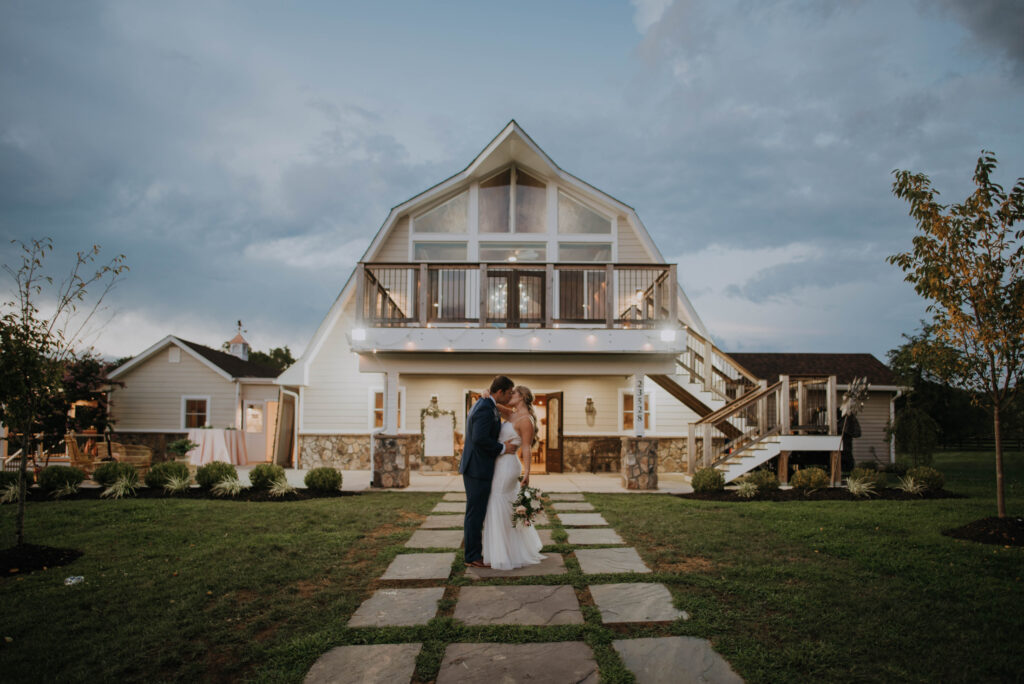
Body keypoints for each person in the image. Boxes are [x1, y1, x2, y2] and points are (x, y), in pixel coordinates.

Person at [481, 384, 546, 570]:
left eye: (514, 392)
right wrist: (486, 393)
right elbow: (490, 400)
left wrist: (527, 473)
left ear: (523, 397)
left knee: (498, 501)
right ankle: (505, 549)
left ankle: (505, 553)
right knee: (502, 505)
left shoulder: (526, 421)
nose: (511, 394)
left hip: (509, 465)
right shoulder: (511, 414)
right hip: (498, 463)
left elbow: (526, 447)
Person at [459, 375, 517, 568]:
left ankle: (473, 550)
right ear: (499, 392)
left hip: (477, 467)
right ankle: (472, 556)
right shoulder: (484, 407)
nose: (510, 397)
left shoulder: (486, 403)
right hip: (477, 468)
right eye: (508, 393)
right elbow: (479, 439)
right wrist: (502, 448)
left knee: (476, 512)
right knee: (475, 513)